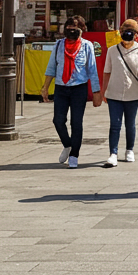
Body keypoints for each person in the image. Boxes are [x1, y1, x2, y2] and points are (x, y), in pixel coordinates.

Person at [41, 15, 101, 169]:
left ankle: (74, 154)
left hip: (78, 88)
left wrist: (96, 92)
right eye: (69, 29)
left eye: (75, 29)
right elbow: (51, 67)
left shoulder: (87, 46)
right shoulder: (59, 45)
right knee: (58, 120)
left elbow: (92, 70)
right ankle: (67, 144)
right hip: (61, 88)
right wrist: (45, 87)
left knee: (76, 122)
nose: (72, 32)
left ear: (81, 30)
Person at [101, 18, 138, 167]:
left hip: (133, 93)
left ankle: (130, 149)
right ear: (120, 33)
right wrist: (103, 91)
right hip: (114, 93)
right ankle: (113, 153)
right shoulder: (112, 50)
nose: (128, 34)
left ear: (137, 34)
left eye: (131, 32)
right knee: (115, 125)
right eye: (125, 31)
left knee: (130, 124)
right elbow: (106, 72)